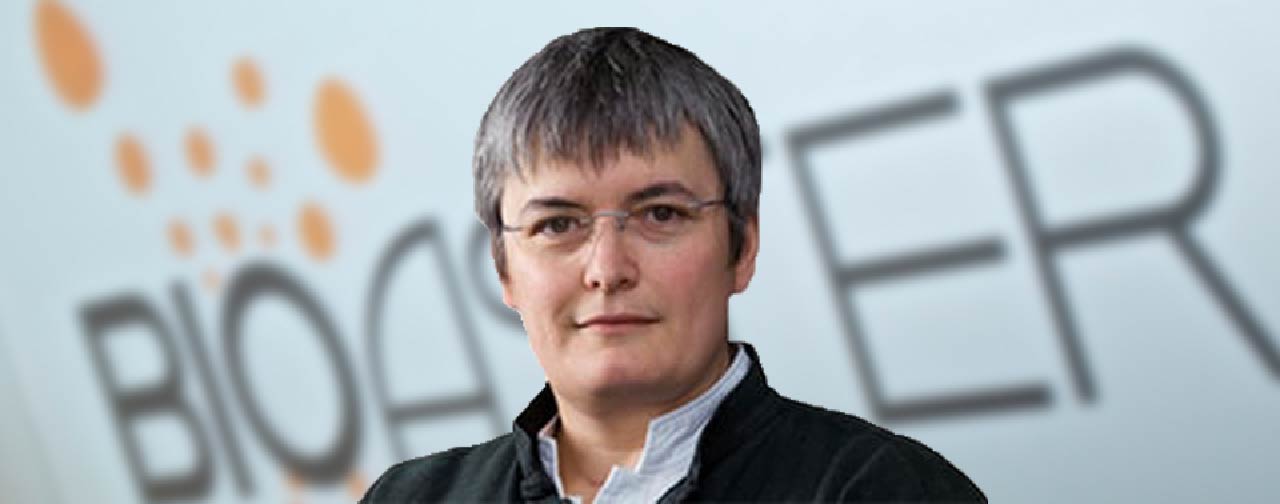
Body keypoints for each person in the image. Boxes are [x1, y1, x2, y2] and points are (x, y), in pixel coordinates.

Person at [361, 27, 985, 503]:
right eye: (558, 224)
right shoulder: (412, 498)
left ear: (742, 248)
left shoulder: (878, 490)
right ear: (503, 270)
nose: (607, 269)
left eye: (660, 214)